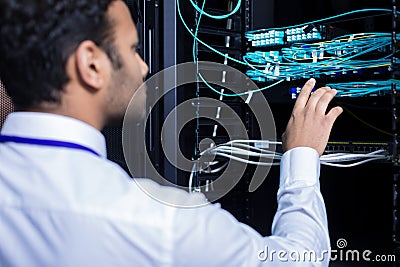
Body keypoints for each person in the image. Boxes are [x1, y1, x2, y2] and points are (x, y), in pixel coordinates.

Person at [0, 0, 343, 266]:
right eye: (133, 49)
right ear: (91, 64)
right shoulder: (159, 225)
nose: (144, 66)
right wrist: (302, 155)